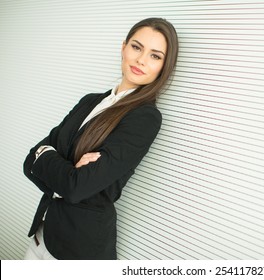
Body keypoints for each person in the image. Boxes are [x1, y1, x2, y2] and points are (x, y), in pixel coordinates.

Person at [23, 17, 179, 260]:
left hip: (78, 251)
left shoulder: (145, 118)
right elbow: (29, 162)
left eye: (155, 56)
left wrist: (48, 158)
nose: (141, 60)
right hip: (42, 234)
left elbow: (76, 188)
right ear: (123, 47)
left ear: (164, 67)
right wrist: (62, 171)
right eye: (137, 47)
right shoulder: (89, 101)